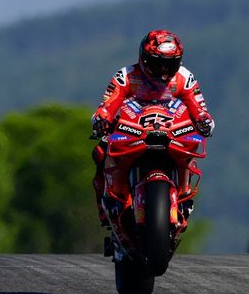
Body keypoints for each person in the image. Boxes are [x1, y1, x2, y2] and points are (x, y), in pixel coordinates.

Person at [91, 29, 215, 226]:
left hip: (171, 130)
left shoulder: (185, 77)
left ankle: (183, 196)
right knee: (101, 151)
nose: (164, 70)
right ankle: (111, 202)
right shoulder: (126, 76)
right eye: (158, 63)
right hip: (133, 130)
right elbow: (107, 105)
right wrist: (101, 119)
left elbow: (199, 108)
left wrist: (204, 121)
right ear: (145, 58)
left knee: (192, 145)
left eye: (170, 63)